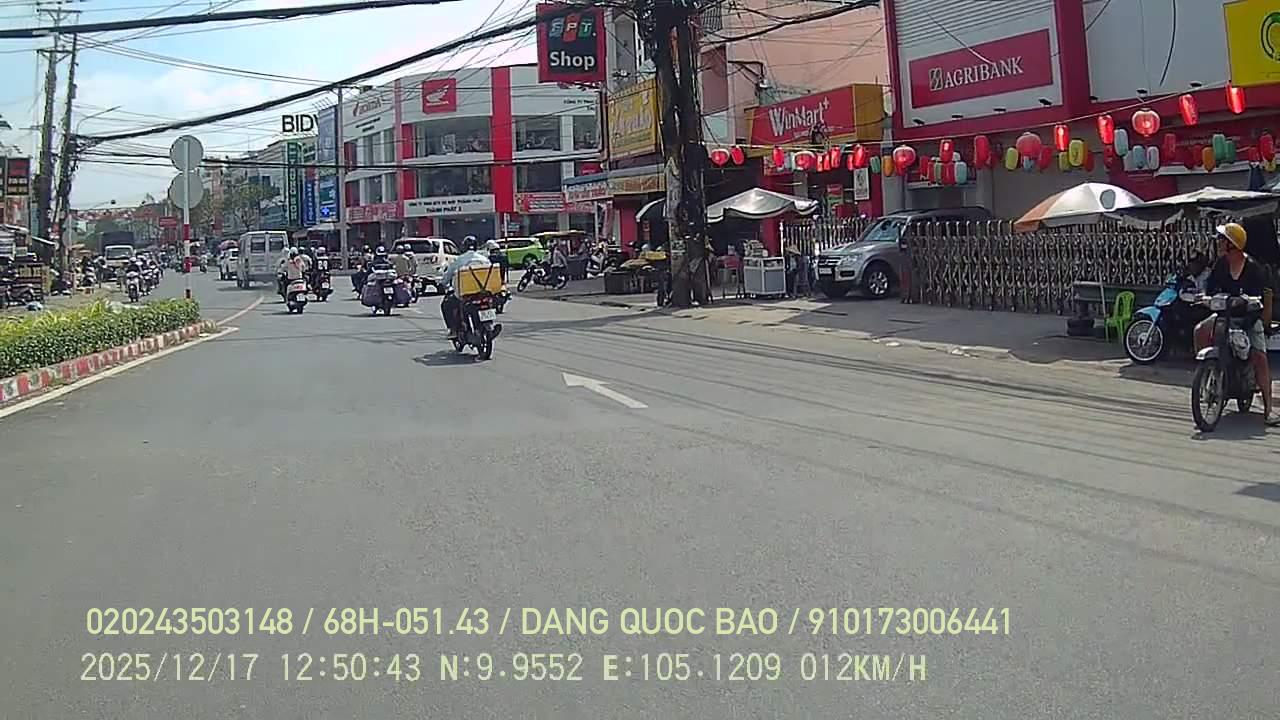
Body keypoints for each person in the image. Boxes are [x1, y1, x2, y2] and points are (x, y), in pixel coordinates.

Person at [1193, 222, 1278, 425]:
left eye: (1223, 240)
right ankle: (1209, 373)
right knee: (1200, 330)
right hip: (1224, 317)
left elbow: (1259, 296)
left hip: (1248, 319)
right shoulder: (1220, 265)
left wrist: (1248, 301)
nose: (1219, 243)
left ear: (1233, 244)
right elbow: (1211, 288)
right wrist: (1205, 297)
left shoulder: (1253, 267)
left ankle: (1268, 409)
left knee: (1260, 357)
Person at [440, 236, 495, 339]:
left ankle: (453, 330)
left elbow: (447, 276)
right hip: (484, 292)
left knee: (446, 304)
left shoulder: (459, 260)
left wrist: (443, 283)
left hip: (465, 294)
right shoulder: (484, 259)